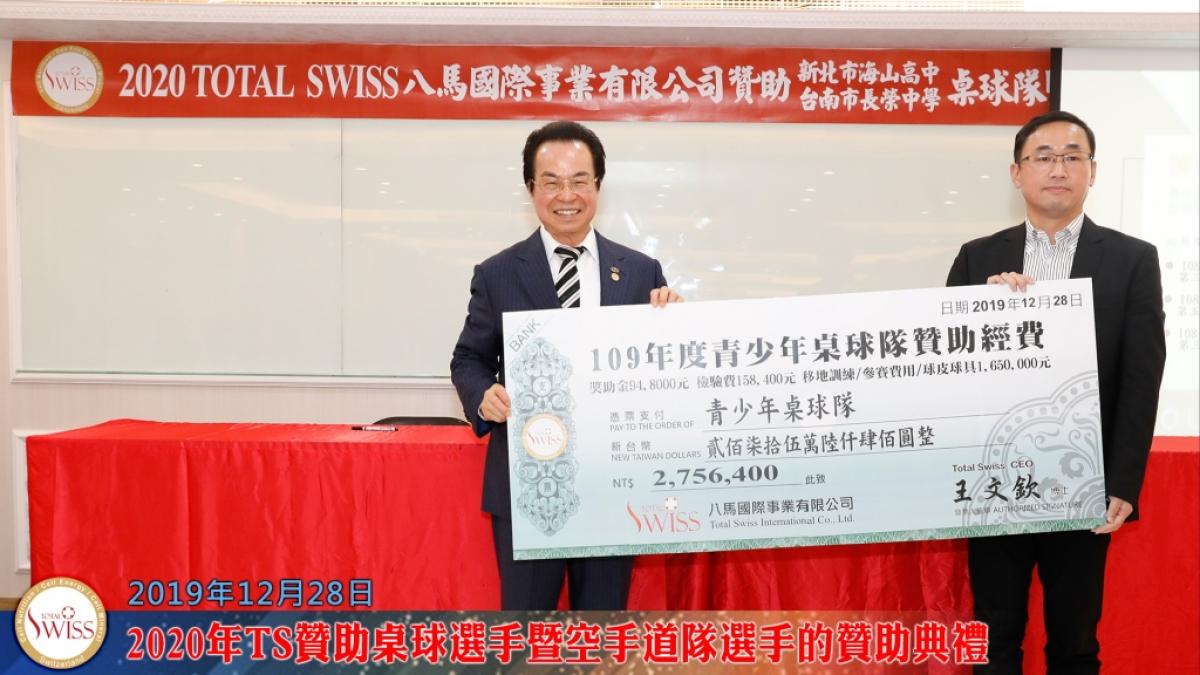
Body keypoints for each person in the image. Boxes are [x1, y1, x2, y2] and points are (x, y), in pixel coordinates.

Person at [946, 110, 1166, 673]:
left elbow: (1141, 376)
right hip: (995, 482)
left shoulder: (1133, 259)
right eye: (1043, 157)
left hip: (1084, 482)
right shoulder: (977, 258)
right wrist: (983, 312)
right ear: (1017, 173)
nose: (1058, 169)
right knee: (993, 639)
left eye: (1072, 157)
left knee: (1075, 642)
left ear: (1093, 171)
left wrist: (1122, 483)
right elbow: (946, 371)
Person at [451, 120, 680, 610]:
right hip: (528, 485)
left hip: (612, 483)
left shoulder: (641, 272)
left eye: (579, 180)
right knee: (525, 630)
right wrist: (483, 396)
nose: (566, 195)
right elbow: (469, 358)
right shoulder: (496, 274)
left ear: (598, 184)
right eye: (551, 182)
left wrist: (674, 327)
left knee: (599, 629)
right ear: (530, 188)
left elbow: (660, 371)